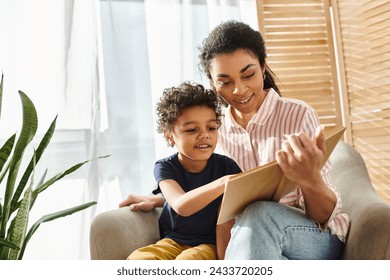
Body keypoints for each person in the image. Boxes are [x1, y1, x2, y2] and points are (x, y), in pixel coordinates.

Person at [120, 20, 350, 260]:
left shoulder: (298, 115)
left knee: (258, 212)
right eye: (225, 82)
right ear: (212, 82)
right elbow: (213, 189)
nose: (238, 90)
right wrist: (163, 198)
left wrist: (309, 179)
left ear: (263, 67)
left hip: (313, 236)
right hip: (249, 242)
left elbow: (323, 217)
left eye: (248, 74)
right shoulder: (212, 130)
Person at [126, 81, 242, 260]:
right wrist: (223, 183)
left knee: (187, 261)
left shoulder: (227, 167)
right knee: (139, 259)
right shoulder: (165, 167)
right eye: (192, 129)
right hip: (173, 241)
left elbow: (231, 219)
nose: (204, 134)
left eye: (211, 128)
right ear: (169, 135)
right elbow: (181, 204)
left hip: (209, 245)